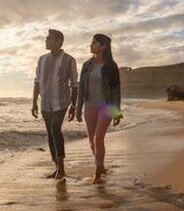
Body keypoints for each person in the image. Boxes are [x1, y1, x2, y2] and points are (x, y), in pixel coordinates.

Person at [32, 29, 78, 180]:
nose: (46, 41)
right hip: (45, 103)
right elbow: (37, 81)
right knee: (50, 133)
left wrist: (73, 105)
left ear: (59, 41)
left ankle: (62, 167)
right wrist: (34, 103)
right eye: (46, 38)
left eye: (49, 38)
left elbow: (74, 84)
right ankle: (56, 166)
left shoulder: (69, 60)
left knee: (55, 129)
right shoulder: (42, 59)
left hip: (61, 102)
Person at [75, 34, 122, 184]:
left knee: (98, 138)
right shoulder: (86, 65)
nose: (91, 45)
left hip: (106, 106)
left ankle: (97, 172)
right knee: (91, 140)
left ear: (103, 46)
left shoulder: (111, 66)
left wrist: (117, 112)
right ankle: (101, 165)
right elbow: (81, 88)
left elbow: (116, 90)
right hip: (90, 105)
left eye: (94, 43)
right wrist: (78, 108)